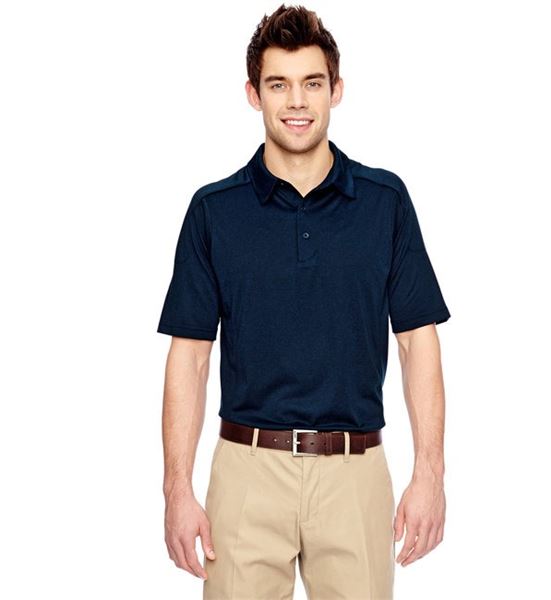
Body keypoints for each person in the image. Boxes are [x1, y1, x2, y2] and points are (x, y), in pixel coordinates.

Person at [157, 4, 451, 598]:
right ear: (253, 94)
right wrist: (177, 491)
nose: (297, 101)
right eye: (279, 84)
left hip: (355, 473)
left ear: (336, 90)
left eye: (312, 83)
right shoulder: (214, 211)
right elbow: (190, 357)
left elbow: (417, 341)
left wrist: (430, 474)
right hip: (246, 471)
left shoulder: (384, 201)